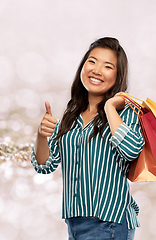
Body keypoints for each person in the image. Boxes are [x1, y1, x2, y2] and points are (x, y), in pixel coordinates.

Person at [31, 37, 144, 240]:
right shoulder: (72, 116)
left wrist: (110, 107)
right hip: (74, 223)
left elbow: (131, 151)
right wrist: (41, 135)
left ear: (118, 75)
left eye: (108, 66)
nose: (97, 70)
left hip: (109, 223)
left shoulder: (125, 114)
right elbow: (44, 165)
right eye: (92, 61)